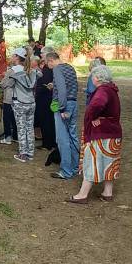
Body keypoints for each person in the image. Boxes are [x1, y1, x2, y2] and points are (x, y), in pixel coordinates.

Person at [67, 64, 122, 204]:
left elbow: (96, 105)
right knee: (109, 163)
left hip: (101, 134)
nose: (91, 79)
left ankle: (83, 194)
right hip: (113, 133)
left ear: (97, 77)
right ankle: (107, 193)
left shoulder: (102, 90)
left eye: (92, 76)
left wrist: (92, 117)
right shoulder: (112, 89)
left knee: (91, 162)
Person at [48, 50, 80, 180]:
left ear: (51, 60)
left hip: (63, 106)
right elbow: (72, 86)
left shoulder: (57, 69)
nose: (47, 66)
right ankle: (76, 166)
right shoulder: (70, 67)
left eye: (46, 63)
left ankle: (66, 171)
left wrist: (61, 109)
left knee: (62, 139)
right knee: (73, 137)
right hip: (73, 103)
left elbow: (61, 90)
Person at [6, 48, 38, 161]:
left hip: (19, 102)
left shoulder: (14, 71)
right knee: (30, 128)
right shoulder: (32, 70)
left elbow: (6, 84)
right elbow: (39, 76)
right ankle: (30, 152)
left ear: (16, 57)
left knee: (21, 128)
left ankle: (22, 154)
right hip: (31, 102)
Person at [0, 47, 23, 147]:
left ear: (16, 57)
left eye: (13, 55)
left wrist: (0, 84)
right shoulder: (25, 69)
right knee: (16, 117)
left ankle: (8, 137)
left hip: (10, 96)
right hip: (21, 97)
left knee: (7, 117)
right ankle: (16, 136)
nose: (11, 57)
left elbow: (5, 83)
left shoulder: (12, 70)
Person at [34, 49, 57, 154]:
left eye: (42, 53)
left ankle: (47, 143)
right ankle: (50, 142)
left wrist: (42, 87)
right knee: (49, 121)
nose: (41, 54)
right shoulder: (48, 67)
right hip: (45, 97)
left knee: (46, 121)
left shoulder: (49, 68)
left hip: (45, 98)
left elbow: (47, 83)